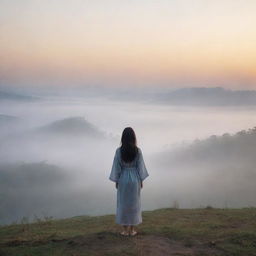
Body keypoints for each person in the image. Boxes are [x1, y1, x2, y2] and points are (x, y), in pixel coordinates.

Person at [109, 127, 149, 236]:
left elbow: (116, 167)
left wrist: (116, 180)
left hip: (123, 179)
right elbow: (140, 166)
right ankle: (132, 230)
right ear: (133, 137)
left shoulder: (118, 151)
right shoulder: (137, 150)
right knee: (134, 204)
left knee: (123, 204)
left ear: (123, 138)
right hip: (135, 179)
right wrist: (141, 180)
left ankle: (125, 230)